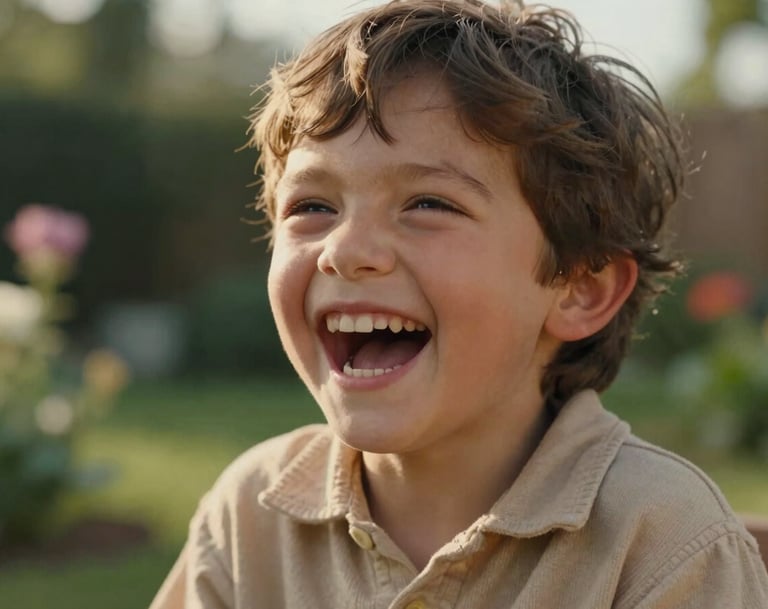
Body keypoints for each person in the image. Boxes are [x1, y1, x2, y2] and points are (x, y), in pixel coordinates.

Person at [150, 1, 768, 607]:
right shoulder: (250, 515)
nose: (345, 250)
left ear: (581, 289)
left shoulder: (664, 543)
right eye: (313, 207)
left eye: (428, 204)